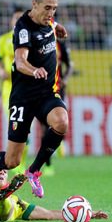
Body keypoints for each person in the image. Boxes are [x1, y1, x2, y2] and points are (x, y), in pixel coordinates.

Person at [0, 0, 69, 199]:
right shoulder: (23, 28)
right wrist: (34, 71)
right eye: (47, 8)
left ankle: (34, 171)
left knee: (62, 121)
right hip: (23, 98)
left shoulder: (49, 20)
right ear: (34, 4)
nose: (51, 12)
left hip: (46, 93)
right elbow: (20, 61)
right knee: (12, 160)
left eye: (54, 8)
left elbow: (52, 21)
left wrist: (58, 25)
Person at [0, 10, 27, 174]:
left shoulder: (30, 38)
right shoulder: (4, 40)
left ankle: (21, 160)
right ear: (11, 21)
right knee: (15, 125)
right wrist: (0, 70)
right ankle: (17, 162)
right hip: (10, 91)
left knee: (26, 127)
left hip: (27, 89)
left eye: (22, 18)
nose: (18, 20)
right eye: (16, 17)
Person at [42, 39, 74, 176]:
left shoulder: (60, 44)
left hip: (58, 90)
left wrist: (65, 79)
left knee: (60, 121)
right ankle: (48, 164)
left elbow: (70, 65)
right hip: (42, 90)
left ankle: (59, 141)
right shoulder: (38, 41)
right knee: (44, 127)